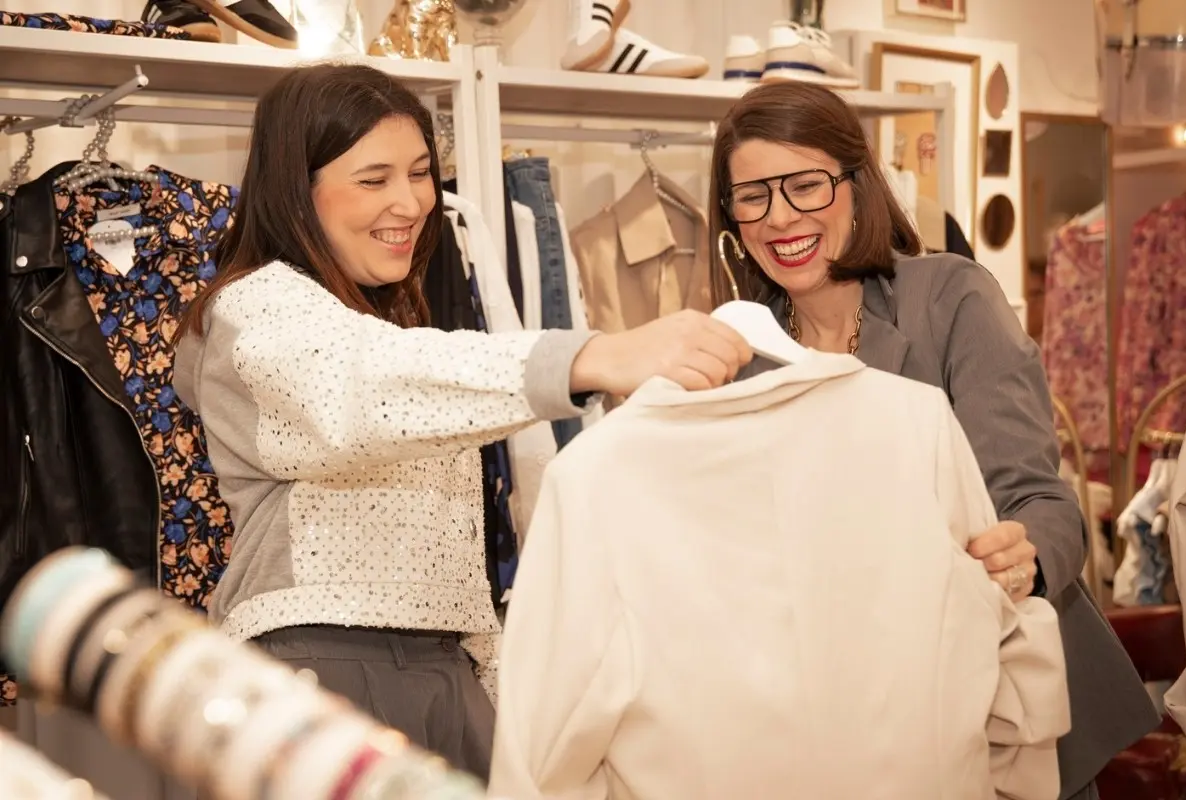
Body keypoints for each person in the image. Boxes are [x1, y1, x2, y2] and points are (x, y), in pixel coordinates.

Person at [171, 63, 751, 779]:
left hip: (440, 670)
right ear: (299, 190)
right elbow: (351, 391)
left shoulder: (390, 318)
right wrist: (591, 356)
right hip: (320, 669)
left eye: (421, 173)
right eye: (373, 178)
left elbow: (444, 537)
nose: (412, 201)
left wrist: (495, 685)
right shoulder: (255, 310)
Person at [709, 80, 1159, 800]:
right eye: (753, 195)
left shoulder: (951, 298)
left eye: (805, 186)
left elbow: (1044, 502)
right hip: (845, 716)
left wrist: (1024, 556)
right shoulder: (738, 351)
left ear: (858, 185)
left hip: (994, 707)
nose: (780, 216)